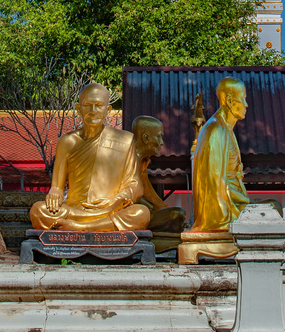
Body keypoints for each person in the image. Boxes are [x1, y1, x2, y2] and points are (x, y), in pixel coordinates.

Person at [30, 83, 150, 232]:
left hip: (110, 209)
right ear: (79, 109)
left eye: (99, 105)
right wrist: (54, 194)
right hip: (75, 210)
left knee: (141, 213)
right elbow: (57, 187)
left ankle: (80, 227)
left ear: (108, 110)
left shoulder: (125, 140)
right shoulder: (67, 142)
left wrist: (116, 201)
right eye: (88, 105)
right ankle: (94, 226)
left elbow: (135, 184)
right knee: (38, 211)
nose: (93, 111)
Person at [191, 77, 249, 232]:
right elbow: (217, 184)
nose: (246, 104)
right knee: (273, 208)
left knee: (271, 207)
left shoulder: (225, 128)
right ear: (229, 101)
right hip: (222, 210)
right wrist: (247, 202)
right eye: (242, 99)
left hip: (234, 200)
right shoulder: (216, 129)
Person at [131, 115, 186, 234]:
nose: (161, 143)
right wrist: (152, 209)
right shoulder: (127, 158)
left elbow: (149, 195)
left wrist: (166, 209)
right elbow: (131, 197)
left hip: (142, 211)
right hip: (129, 214)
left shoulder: (143, 161)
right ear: (145, 138)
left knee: (177, 215)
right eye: (159, 137)